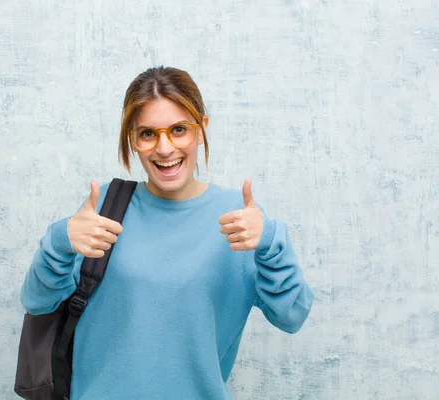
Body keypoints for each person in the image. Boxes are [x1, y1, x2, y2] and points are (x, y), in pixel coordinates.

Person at [20, 66, 314, 399]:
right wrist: (61, 241)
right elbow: (37, 301)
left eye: (178, 130)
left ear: (201, 129)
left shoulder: (239, 219)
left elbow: (292, 316)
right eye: (148, 133)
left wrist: (271, 241)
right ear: (133, 137)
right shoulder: (104, 206)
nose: (164, 148)